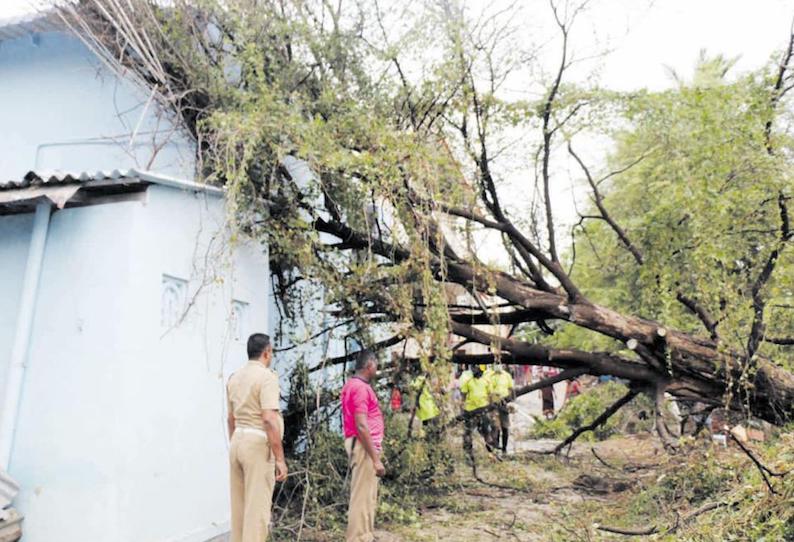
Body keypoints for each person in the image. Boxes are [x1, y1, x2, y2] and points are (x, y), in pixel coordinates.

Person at [226, 333, 288, 542]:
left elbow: (230, 418)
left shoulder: (234, 377)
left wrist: (237, 442)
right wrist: (280, 458)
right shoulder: (266, 377)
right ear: (266, 352)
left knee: (239, 507)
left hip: (237, 441)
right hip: (257, 443)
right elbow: (269, 419)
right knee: (257, 509)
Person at [341, 350, 386, 542]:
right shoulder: (359, 388)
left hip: (363, 446)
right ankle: (358, 538)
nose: (376, 369)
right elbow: (361, 424)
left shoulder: (353, 385)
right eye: (375, 365)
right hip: (363, 447)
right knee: (361, 496)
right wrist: (376, 459)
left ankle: (365, 536)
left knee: (368, 495)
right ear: (369, 366)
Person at [459, 365, 496, 459]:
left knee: (486, 432)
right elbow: (463, 396)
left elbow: (491, 396)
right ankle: (468, 453)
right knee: (468, 433)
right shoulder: (468, 381)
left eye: (477, 369)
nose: (475, 371)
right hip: (470, 411)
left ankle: (491, 452)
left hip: (483, 410)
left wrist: (491, 410)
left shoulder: (486, 381)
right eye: (474, 369)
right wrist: (462, 410)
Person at [488, 364, 514, 453]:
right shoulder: (490, 376)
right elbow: (489, 391)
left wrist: (508, 400)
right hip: (494, 405)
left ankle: (504, 448)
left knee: (505, 427)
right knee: (495, 427)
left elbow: (511, 389)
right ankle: (496, 446)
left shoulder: (507, 376)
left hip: (504, 404)